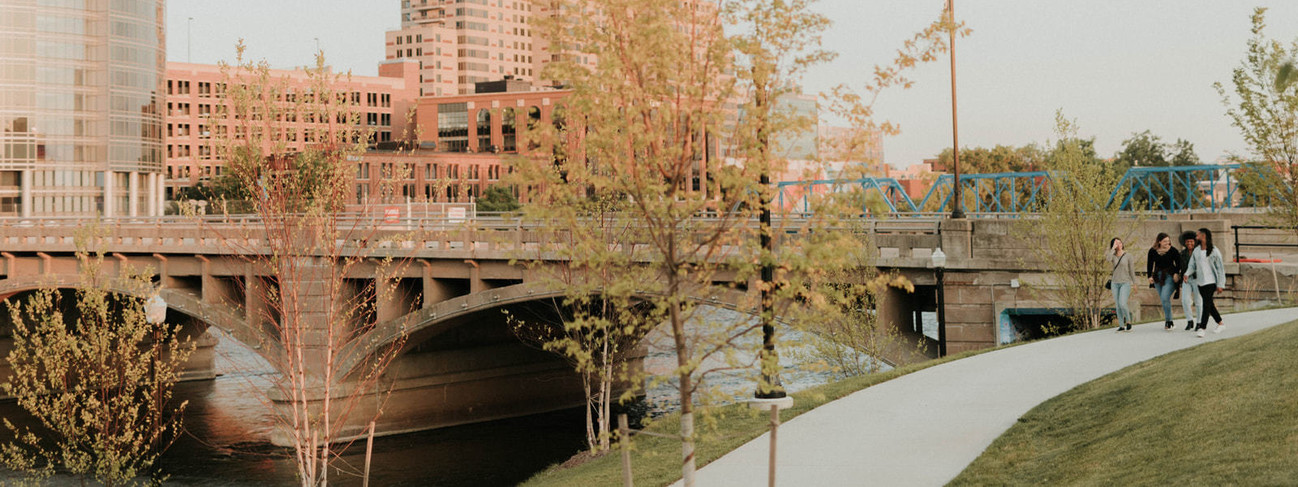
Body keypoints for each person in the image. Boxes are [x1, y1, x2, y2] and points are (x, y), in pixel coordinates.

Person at [1184, 227, 1226, 338]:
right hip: (1201, 281)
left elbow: (1220, 269)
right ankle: (1220, 323)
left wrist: (1220, 284)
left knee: (1206, 304)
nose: (1196, 237)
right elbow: (1192, 265)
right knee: (1210, 304)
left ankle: (1202, 328)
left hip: (1211, 281)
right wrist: (1187, 273)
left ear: (1204, 236)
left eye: (1197, 235)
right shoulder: (1197, 251)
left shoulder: (1214, 251)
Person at [1146, 233, 1181, 331]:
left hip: (1170, 276)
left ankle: (1168, 321)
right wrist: (1149, 276)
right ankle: (1170, 321)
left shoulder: (1173, 251)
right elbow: (1149, 264)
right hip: (1157, 277)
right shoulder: (1153, 251)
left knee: (1165, 297)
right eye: (1165, 241)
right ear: (1159, 242)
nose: (1167, 243)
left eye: (1168, 241)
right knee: (1163, 299)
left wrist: (1176, 273)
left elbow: (1178, 263)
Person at [1108, 237, 1138, 332]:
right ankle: (1121, 325)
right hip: (1114, 283)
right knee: (1117, 305)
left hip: (1125, 282)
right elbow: (1107, 259)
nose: (1119, 245)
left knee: (1122, 303)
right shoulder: (1112, 255)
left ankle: (1128, 321)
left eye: (1120, 243)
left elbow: (1132, 271)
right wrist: (1112, 249)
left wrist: (1135, 283)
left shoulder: (1128, 255)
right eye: (1117, 243)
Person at [1176, 231, 1202, 331]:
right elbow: (1179, 266)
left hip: (1197, 278)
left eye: (1191, 241)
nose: (1189, 244)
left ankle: (1199, 322)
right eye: (1187, 242)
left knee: (1198, 301)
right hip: (1186, 279)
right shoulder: (1182, 253)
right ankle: (1189, 320)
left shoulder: (1199, 253)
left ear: (1195, 242)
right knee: (1185, 300)